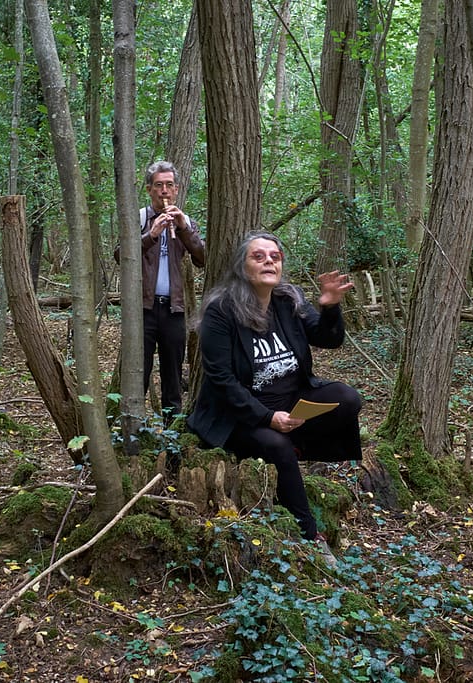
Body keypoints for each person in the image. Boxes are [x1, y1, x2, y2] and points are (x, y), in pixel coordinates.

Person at [187, 232, 362, 558]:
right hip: (238, 414)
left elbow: (328, 339)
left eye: (275, 256)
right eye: (259, 256)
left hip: (291, 402)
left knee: (348, 399)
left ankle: (295, 452)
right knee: (277, 445)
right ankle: (309, 536)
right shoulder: (221, 311)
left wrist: (330, 307)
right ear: (242, 266)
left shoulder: (288, 300)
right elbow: (221, 379)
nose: (269, 260)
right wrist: (268, 418)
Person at [116, 161, 205, 422]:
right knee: (137, 376)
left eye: (169, 185)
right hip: (142, 309)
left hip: (174, 309)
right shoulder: (139, 218)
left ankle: (172, 441)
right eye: (158, 185)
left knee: (173, 380)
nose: (164, 191)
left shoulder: (185, 222)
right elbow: (120, 255)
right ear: (149, 189)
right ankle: (133, 433)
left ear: (176, 190)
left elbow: (202, 258)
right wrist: (150, 235)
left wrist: (184, 228)